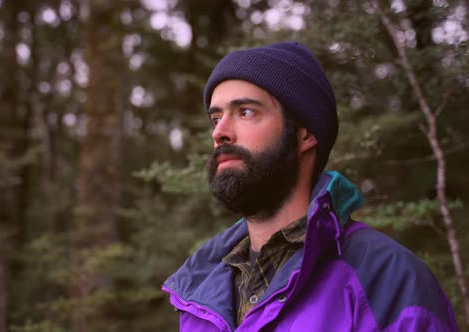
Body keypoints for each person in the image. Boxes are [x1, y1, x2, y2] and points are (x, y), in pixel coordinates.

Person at [162, 41, 459, 331]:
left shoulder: (388, 279)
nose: (220, 133)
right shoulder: (200, 292)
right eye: (216, 118)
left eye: (246, 112)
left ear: (305, 134)